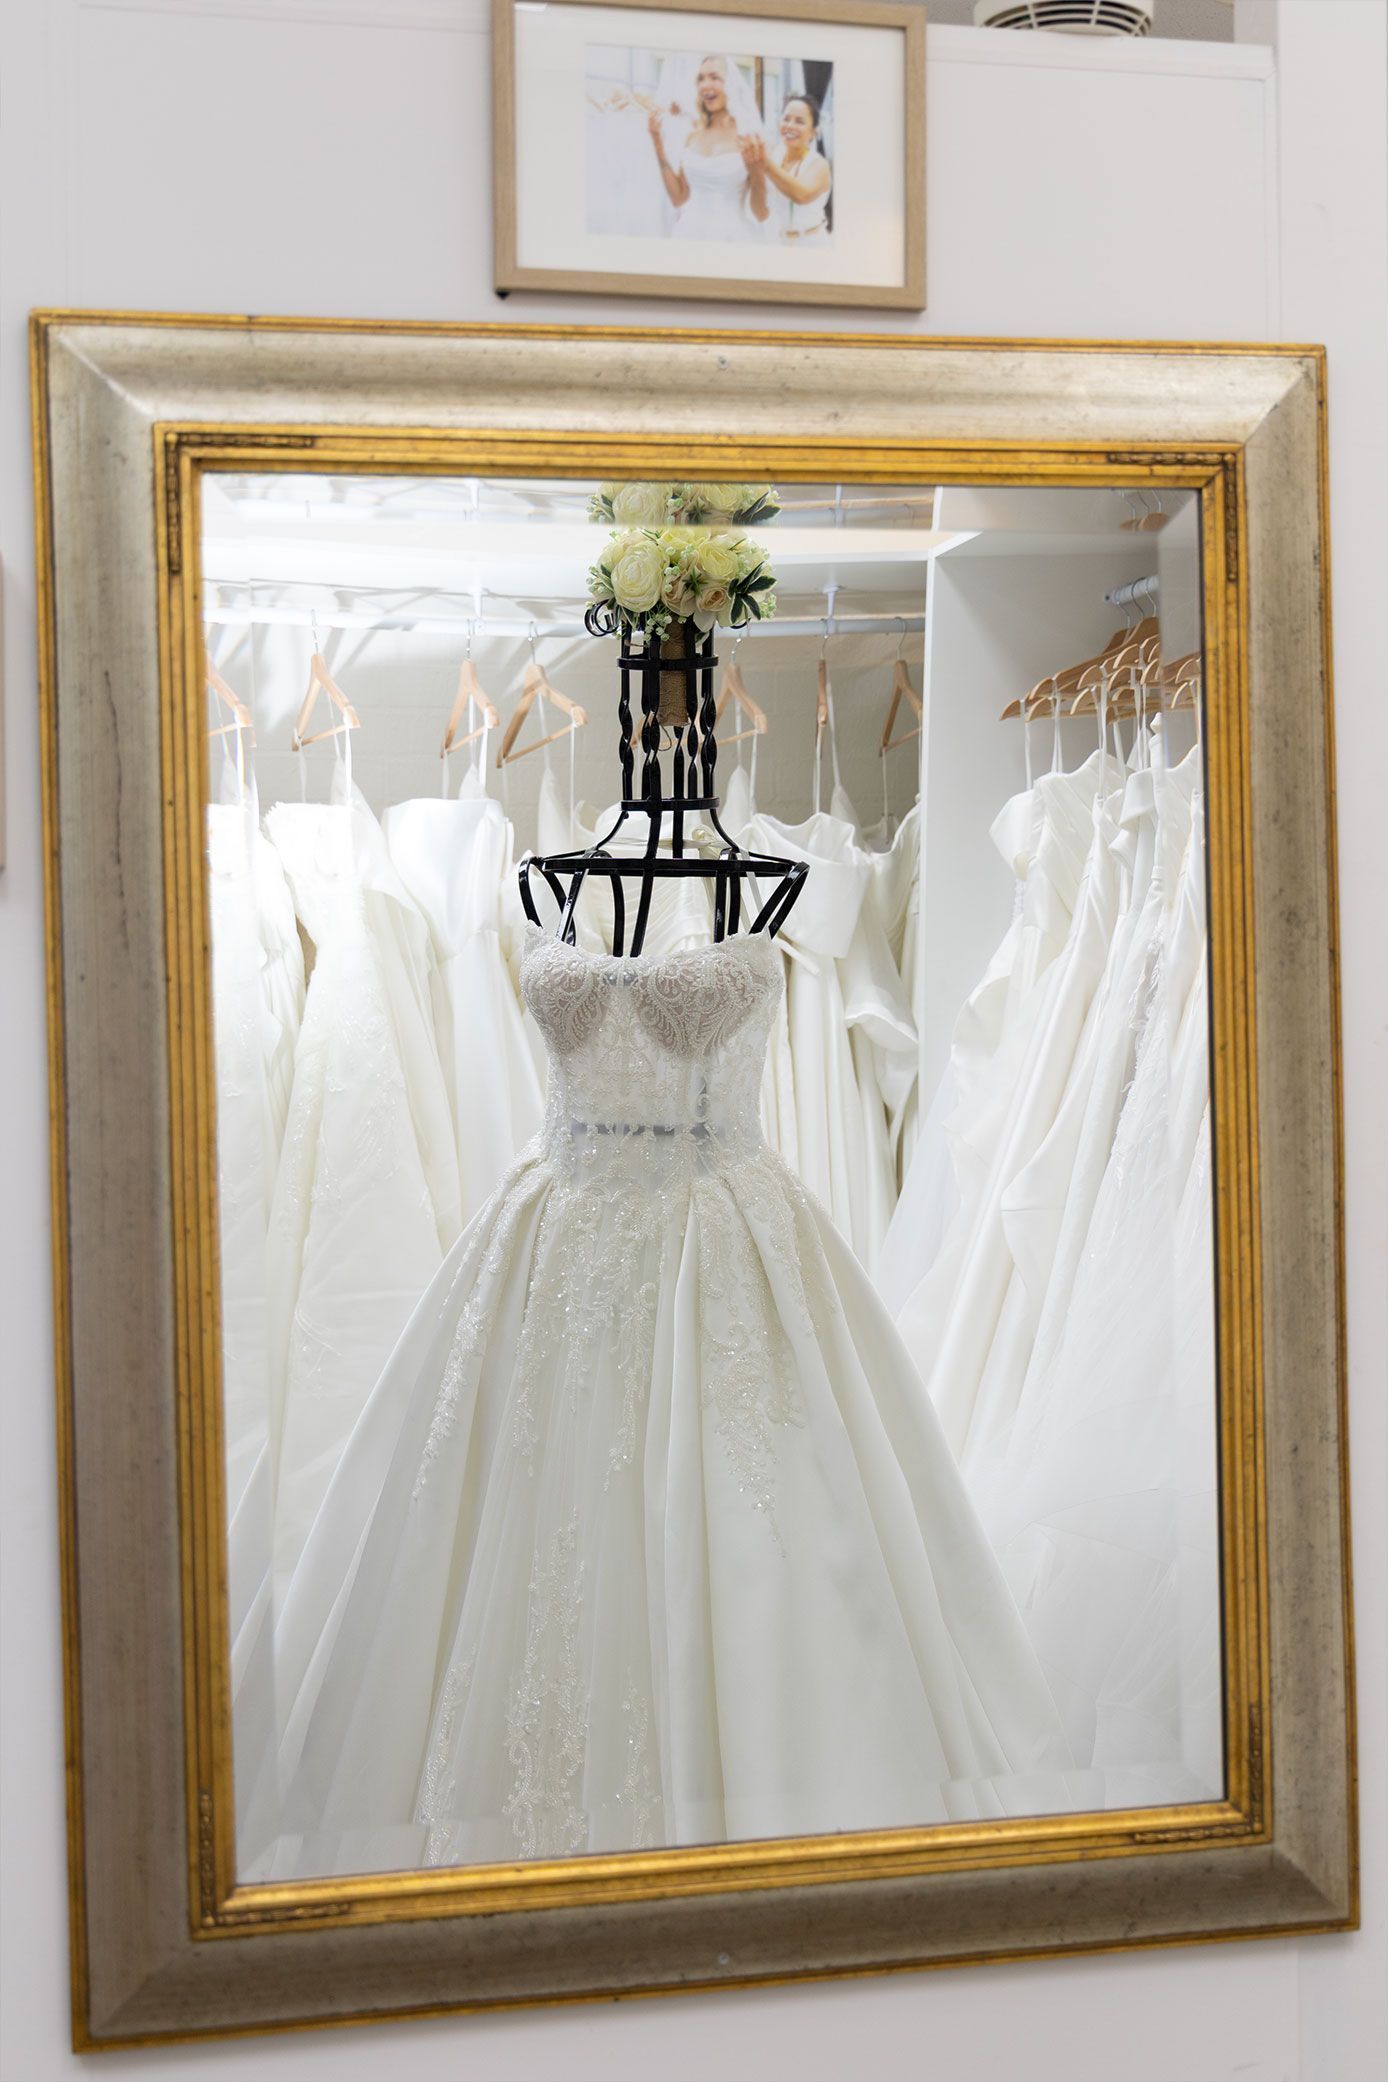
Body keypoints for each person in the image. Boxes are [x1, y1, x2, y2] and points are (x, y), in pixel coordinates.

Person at [647, 55, 768, 243]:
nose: (705, 85)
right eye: (701, 79)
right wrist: (657, 142)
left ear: (731, 85)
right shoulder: (693, 134)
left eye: (714, 77)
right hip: (688, 235)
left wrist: (758, 173)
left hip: (733, 238)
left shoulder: (747, 135)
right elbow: (678, 197)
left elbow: (761, 214)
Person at [743, 93, 832, 242]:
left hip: (810, 243)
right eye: (786, 119)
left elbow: (801, 195)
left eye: (799, 121)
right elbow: (760, 214)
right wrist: (755, 172)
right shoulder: (772, 155)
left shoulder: (819, 165)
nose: (790, 126)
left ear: (813, 132)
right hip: (776, 242)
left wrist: (764, 164)